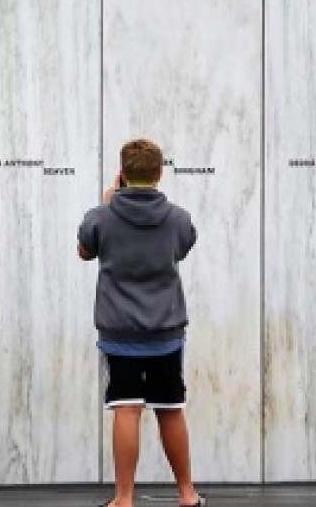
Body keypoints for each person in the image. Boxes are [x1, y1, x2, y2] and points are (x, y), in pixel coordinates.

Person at [77, 139, 203, 507]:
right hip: (166, 332)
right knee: (170, 408)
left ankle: (124, 498)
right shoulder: (178, 218)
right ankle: (187, 494)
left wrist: (107, 204)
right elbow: (182, 247)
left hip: (119, 332)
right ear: (160, 173)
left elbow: (85, 251)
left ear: (122, 173)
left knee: (126, 408)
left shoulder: (101, 216)